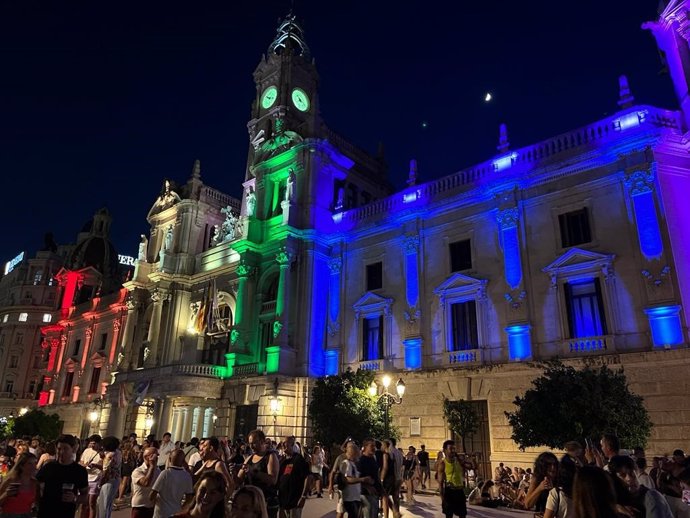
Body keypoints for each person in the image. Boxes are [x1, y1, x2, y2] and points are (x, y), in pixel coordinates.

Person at [35, 434, 88, 518]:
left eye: (65, 448)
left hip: (65, 513)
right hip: (45, 511)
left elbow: (85, 496)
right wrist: (38, 501)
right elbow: (36, 484)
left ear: (73, 449)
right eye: (59, 449)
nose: (61, 452)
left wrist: (75, 498)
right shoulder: (48, 466)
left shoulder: (80, 471)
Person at [608, 455, 673, 518]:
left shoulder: (652, 498)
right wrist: (615, 508)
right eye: (622, 475)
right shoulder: (621, 498)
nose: (629, 478)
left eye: (631, 473)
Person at [238, 430, 279, 518]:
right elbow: (238, 480)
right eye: (250, 443)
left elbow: (273, 480)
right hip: (251, 503)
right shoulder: (249, 458)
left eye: (254, 443)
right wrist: (234, 472)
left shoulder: (270, 456)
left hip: (266, 502)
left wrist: (254, 472)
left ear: (262, 441)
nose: (251, 446)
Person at [437, 439, 475, 518]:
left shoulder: (458, 461)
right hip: (449, 492)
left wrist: (472, 459)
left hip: (459, 491)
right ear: (445, 450)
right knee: (449, 515)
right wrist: (442, 498)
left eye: (454, 448)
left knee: (462, 514)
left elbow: (472, 467)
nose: (453, 450)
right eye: (450, 448)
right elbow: (440, 482)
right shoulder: (442, 464)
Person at [151, 450, 194, 518]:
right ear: (183, 461)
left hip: (161, 513)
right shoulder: (187, 476)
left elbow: (152, 494)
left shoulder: (165, 473)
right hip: (176, 512)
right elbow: (189, 498)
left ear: (170, 459)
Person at [277, 435, 311, 518]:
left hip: (294, 501)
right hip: (282, 502)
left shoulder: (298, 459)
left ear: (292, 445)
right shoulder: (283, 460)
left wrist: (303, 497)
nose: (283, 445)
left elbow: (308, 477)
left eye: (286, 443)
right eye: (282, 443)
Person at [0, 452, 39, 518]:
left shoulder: (34, 483)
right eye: (29, 463)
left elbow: (35, 504)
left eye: (35, 463)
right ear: (21, 466)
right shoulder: (11, 480)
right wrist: (6, 494)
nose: (34, 466)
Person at [340, 442, 371, 518]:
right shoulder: (346, 463)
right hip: (349, 498)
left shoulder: (352, 464)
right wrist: (362, 479)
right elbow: (347, 479)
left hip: (354, 497)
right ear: (353, 453)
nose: (360, 454)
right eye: (358, 452)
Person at [131, 447, 160, 518]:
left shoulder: (158, 470)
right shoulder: (138, 471)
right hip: (140, 506)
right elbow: (146, 483)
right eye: (155, 455)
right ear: (147, 457)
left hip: (152, 506)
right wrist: (152, 466)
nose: (157, 457)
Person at [97, 436, 122, 518]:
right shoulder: (118, 453)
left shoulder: (109, 456)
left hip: (108, 481)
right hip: (116, 479)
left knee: (103, 505)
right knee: (109, 504)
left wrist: (100, 483)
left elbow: (105, 471)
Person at [79, 435, 103, 518]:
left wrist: (95, 465)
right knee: (84, 503)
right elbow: (81, 461)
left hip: (95, 478)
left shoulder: (101, 453)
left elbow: (103, 466)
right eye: (91, 443)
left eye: (94, 443)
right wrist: (84, 465)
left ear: (99, 443)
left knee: (91, 503)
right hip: (85, 478)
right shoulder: (87, 450)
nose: (92, 445)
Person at [358, 438, 382, 518]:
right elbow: (356, 478)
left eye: (374, 446)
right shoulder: (361, 461)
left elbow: (376, 476)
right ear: (365, 447)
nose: (374, 448)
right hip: (365, 494)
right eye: (371, 446)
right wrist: (366, 486)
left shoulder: (373, 459)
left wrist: (382, 490)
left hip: (374, 494)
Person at [380, 440, 400, 518]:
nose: (381, 446)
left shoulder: (385, 455)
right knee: (390, 497)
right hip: (393, 477)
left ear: (386, 446)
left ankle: (387, 516)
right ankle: (395, 512)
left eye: (382, 445)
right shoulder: (392, 455)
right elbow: (394, 468)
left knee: (385, 498)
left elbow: (385, 467)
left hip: (387, 478)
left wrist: (381, 478)